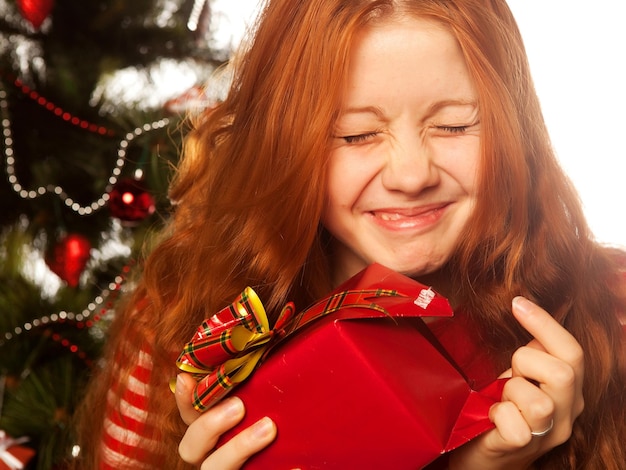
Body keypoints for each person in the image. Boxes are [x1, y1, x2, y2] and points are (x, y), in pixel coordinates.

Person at [72, 0, 626, 469]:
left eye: (455, 124)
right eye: (355, 134)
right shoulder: (173, 324)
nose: (412, 175)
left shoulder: (614, 310)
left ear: (513, 126)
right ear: (283, 144)